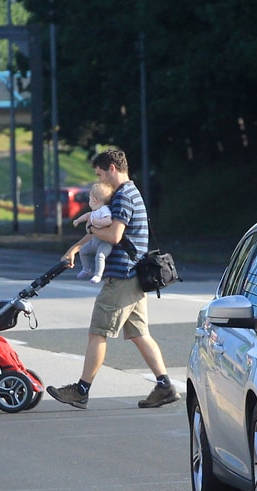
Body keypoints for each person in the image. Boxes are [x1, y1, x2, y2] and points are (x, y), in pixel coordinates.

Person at [46, 149, 180, 410]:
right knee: (140, 334)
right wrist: (76, 247)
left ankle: (81, 390)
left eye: (99, 173)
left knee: (97, 333)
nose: (99, 179)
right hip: (133, 277)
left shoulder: (122, 197)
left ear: (112, 168)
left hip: (122, 277)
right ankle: (165, 386)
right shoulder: (129, 194)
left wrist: (90, 228)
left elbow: (114, 235)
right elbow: (103, 229)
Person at [72, 182, 115, 284]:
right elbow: (87, 216)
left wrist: (96, 222)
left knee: (100, 256)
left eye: (90, 199)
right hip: (95, 240)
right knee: (83, 250)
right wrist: (78, 220)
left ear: (94, 200)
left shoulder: (104, 210)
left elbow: (108, 221)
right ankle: (86, 269)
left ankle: (98, 275)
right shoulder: (95, 211)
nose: (89, 202)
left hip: (104, 242)